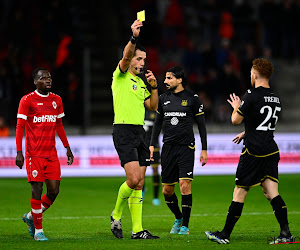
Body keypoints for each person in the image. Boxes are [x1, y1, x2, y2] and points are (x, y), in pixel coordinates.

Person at [205, 58, 293, 245]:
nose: (250, 75)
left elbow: (235, 120)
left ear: (255, 73)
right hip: (270, 150)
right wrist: (247, 132)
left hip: (253, 152)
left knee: (239, 192)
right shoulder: (275, 97)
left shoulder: (252, 94)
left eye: (251, 72)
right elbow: (264, 123)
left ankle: (224, 234)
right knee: (272, 193)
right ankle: (286, 234)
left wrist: (236, 107)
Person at [110, 19, 159, 240]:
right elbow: (126, 56)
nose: (141, 62)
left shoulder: (140, 83)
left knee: (139, 183)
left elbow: (153, 106)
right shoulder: (120, 76)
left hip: (140, 133)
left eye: (144, 59)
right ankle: (116, 215)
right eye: (139, 58)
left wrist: (154, 87)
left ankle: (137, 230)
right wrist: (133, 37)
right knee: (131, 180)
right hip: (123, 131)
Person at [15, 68, 74, 241]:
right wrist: (19, 152)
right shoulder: (27, 100)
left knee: (54, 191)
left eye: (49, 78)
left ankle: (31, 216)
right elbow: (19, 127)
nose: (48, 80)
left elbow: (59, 125)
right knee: (37, 189)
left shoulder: (57, 100)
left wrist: (67, 147)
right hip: (34, 154)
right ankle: (38, 231)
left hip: (51, 153)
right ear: (35, 82)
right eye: (43, 78)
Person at [150, 66, 208, 235]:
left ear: (179, 80)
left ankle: (185, 226)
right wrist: (152, 144)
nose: (165, 81)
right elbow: (157, 124)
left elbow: (202, 126)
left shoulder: (193, 98)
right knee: (167, 191)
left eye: (169, 78)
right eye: (166, 78)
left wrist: (204, 149)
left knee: (184, 185)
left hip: (186, 148)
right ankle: (178, 217)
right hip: (168, 148)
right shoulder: (163, 99)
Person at [143, 108, 161, 206]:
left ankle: (155, 197)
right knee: (141, 171)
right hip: (142, 147)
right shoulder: (138, 110)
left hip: (154, 147)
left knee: (155, 170)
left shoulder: (156, 112)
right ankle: (142, 191)